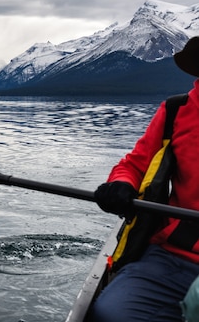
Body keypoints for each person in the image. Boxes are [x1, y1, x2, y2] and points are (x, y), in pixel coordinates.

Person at [90, 36, 199, 321]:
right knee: (111, 313)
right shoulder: (177, 111)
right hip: (173, 258)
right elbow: (135, 164)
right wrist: (121, 184)